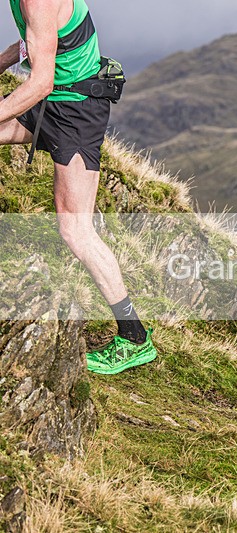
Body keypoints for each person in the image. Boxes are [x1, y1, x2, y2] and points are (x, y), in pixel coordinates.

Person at [1, 0, 156, 374]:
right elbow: (37, 42)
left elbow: (40, 81)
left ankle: (135, 338)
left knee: (75, 230)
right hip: (57, 98)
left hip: (75, 111)